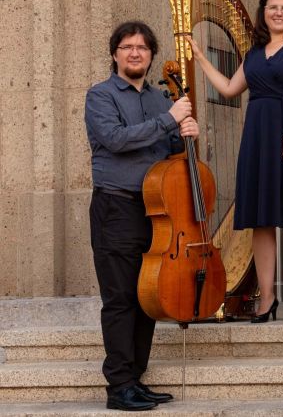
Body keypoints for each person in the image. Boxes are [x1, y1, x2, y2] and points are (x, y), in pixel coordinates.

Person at [85, 21, 197, 411]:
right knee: (119, 299)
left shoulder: (159, 98)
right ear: (114, 54)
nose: (135, 53)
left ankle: (135, 378)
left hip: (157, 211)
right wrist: (170, 119)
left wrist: (186, 134)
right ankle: (119, 387)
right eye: (127, 47)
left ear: (151, 55)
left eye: (143, 48)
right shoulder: (100, 96)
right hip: (116, 208)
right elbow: (115, 140)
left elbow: (169, 149)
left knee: (147, 295)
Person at [187, 0, 283, 322]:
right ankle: (267, 299)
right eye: (273, 7)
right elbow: (230, 88)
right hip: (257, 139)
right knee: (261, 220)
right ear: (263, 13)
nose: (279, 12)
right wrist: (200, 58)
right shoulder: (254, 53)